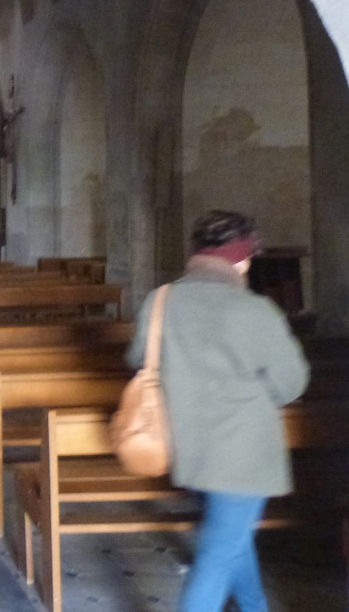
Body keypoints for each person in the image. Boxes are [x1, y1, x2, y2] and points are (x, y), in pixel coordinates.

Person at [126, 210, 309, 612]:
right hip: (242, 456)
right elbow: (291, 383)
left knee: (232, 541)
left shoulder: (160, 301)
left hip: (187, 445)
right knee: (218, 555)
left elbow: (139, 360)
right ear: (242, 259)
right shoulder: (254, 310)